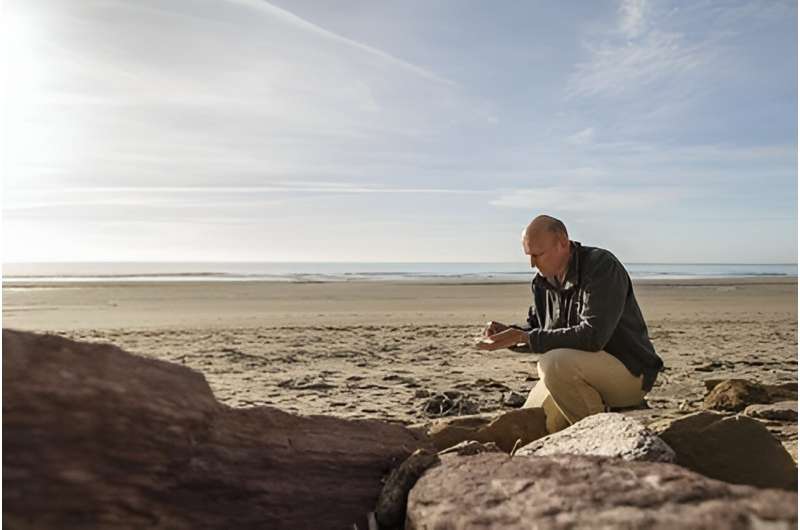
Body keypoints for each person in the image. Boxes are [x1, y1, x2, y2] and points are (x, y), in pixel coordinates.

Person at [476, 215, 664, 434]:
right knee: (532, 422)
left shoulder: (601, 266)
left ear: (563, 242)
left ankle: (598, 437)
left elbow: (593, 337)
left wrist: (524, 337)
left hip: (630, 374)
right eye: (529, 255)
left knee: (552, 364)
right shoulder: (542, 282)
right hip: (576, 372)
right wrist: (508, 334)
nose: (532, 264)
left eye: (538, 254)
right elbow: (539, 331)